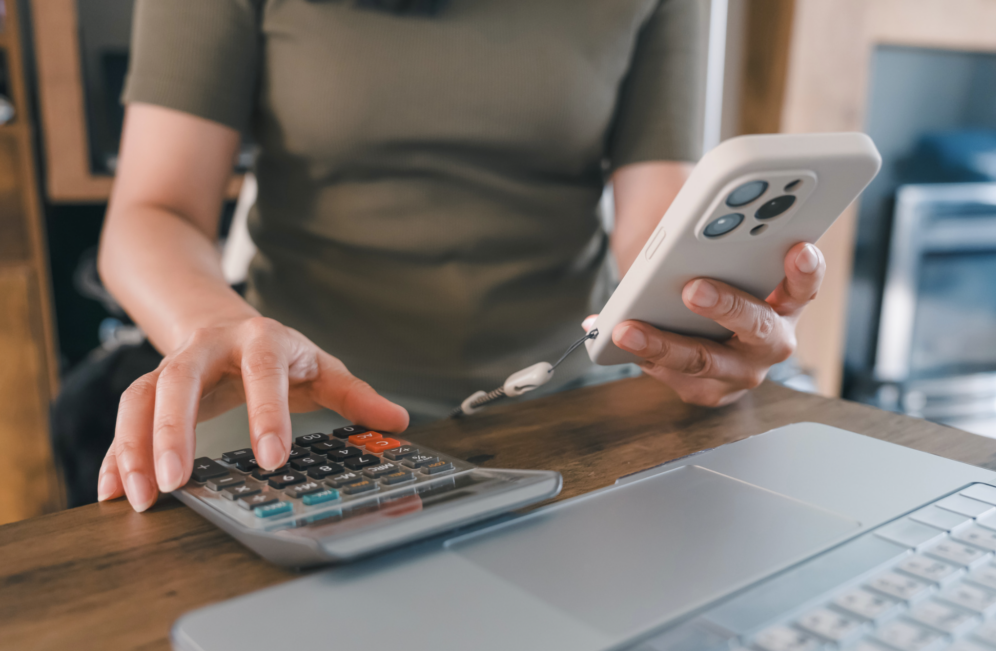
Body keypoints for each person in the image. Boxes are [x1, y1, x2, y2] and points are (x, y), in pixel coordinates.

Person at [96, 0, 826, 512]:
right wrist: (215, 326)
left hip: (567, 419)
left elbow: (653, 224)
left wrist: (699, 316)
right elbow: (149, 214)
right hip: (291, 410)